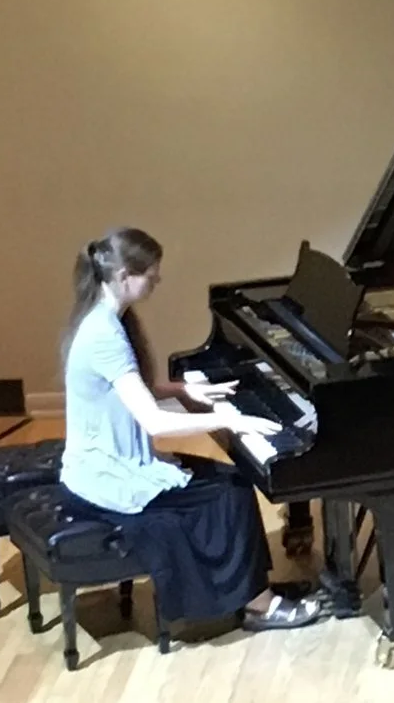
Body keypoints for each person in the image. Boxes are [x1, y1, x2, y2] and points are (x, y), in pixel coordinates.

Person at [62, 227, 317, 632]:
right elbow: (154, 421)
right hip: (108, 475)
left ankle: (253, 589)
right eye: (152, 275)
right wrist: (227, 417)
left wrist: (182, 388)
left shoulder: (102, 318)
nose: (157, 282)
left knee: (232, 482)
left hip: (111, 461)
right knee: (230, 492)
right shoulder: (105, 334)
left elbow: (128, 389)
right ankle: (258, 605)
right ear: (125, 275)